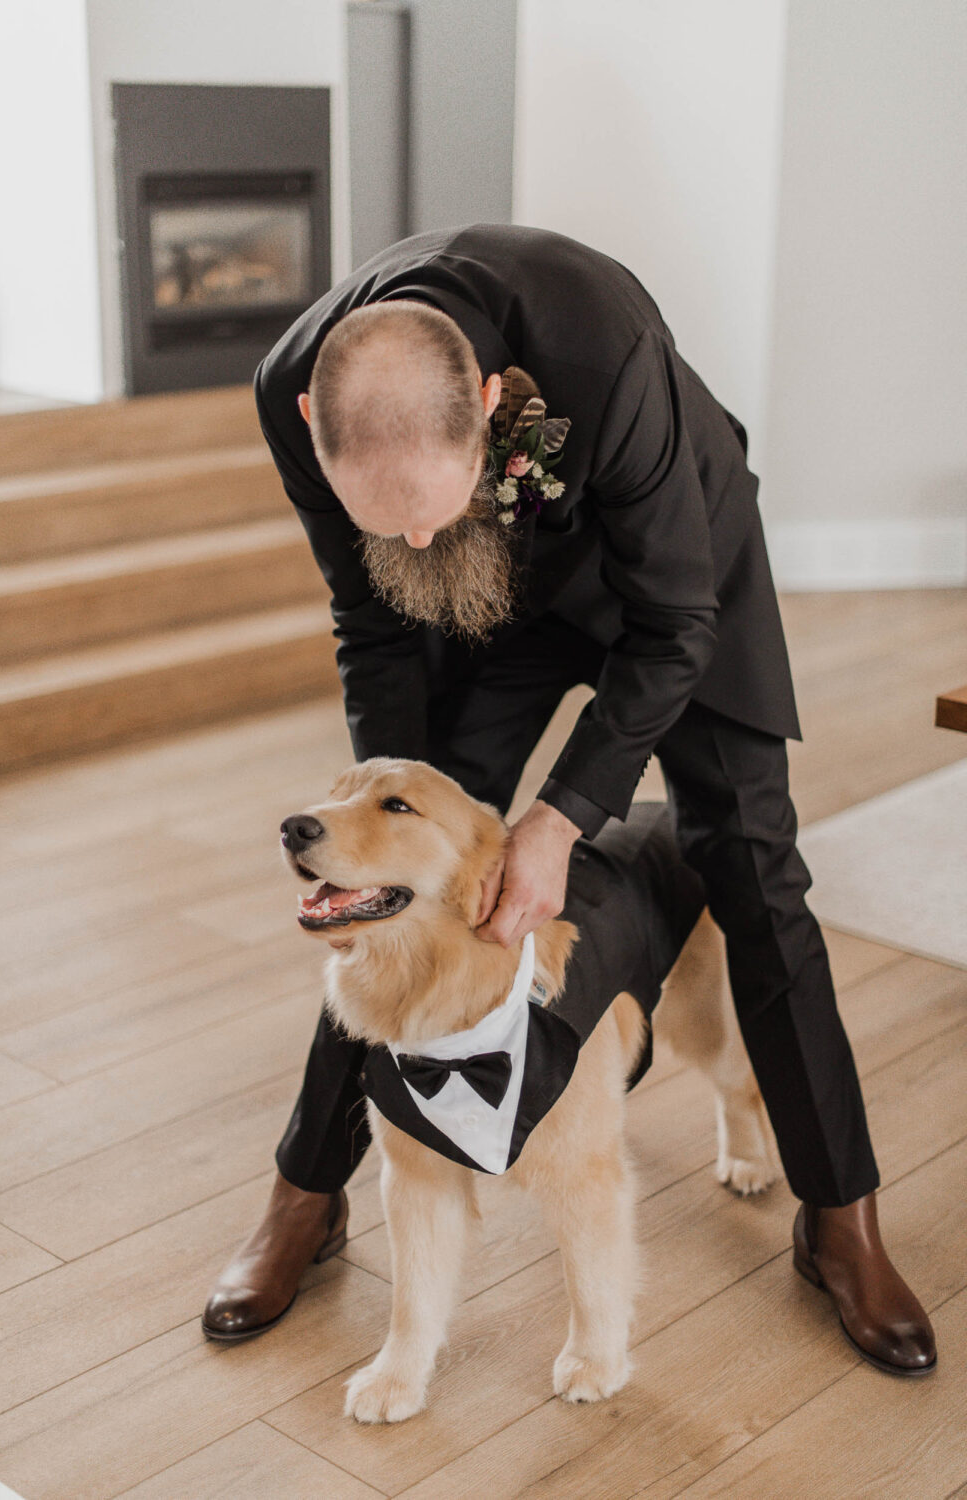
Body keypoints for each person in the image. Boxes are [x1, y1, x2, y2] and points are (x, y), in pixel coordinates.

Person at [202, 224, 935, 1375]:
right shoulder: (293, 389)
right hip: (485, 603)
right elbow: (370, 620)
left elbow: (672, 627)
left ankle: (840, 1216)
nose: (417, 534)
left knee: (751, 868)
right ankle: (307, 1192)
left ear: (490, 403)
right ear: (310, 424)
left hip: (676, 578)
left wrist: (558, 819)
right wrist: (399, 830)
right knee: (393, 899)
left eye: (431, 508)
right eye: (390, 518)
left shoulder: (606, 345)